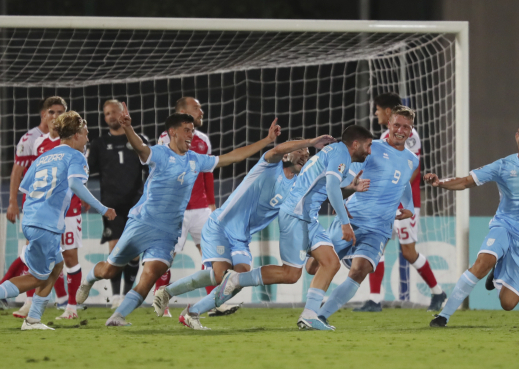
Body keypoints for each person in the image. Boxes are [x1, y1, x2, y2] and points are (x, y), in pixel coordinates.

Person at [75, 104, 282, 327]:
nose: (190, 135)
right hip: (142, 223)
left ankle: (118, 316)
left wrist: (267, 140)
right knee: (110, 270)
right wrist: (128, 129)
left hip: (168, 233)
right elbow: (140, 148)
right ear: (172, 132)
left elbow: (231, 157)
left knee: (150, 275)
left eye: (192, 130)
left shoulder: (195, 159)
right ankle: (89, 279)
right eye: (186, 130)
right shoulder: (160, 153)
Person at [153, 135, 340, 329]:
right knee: (221, 276)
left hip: (241, 238)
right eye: (300, 151)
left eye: (308, 155)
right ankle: (168, 292)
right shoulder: (269, 165)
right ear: (287, 155)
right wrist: (311, 142)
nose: (305, 156)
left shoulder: (297, 186)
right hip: (221, 226)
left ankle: (191, 312)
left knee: (237, 280)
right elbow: (277, 149)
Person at [211, 125, 373, 331]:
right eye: (368, 146)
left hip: (307, 217)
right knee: (291, 274)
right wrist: (344, 223)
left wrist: (350, 189)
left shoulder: (335, 153)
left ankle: (309, 315)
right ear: (356, 144)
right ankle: (236, 279)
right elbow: (331, 188)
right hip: (297, 214)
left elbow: (326, 190)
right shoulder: (340, 154)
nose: (369, 151)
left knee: (331, 263)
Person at [0, 112, 115, 329]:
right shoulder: (76, 156)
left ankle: (33, 319)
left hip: (31, 219)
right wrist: (103, 209)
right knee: (37, 277)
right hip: (46, 225)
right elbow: (75, 185)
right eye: (86, 134)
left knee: (57, 265)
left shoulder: (44, 157)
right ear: (76, 135)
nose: (87, 138)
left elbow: (26, 187)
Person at [427, 119, 519, 327]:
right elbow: (466, 181)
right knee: (481, 264)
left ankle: (497, 270)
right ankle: (444, 315)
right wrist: (440, 182)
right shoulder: (504, 165)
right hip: (504, 227)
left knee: (508, 303)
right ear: (516, 136)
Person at [304, 106, 417, 327]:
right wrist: (343, 198)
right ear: (389, 125)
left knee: (360, 270)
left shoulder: (412, 159)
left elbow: (403, 182)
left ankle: (319, 316)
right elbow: (347, 177)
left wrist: (410, 206)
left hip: (380, 229)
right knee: (313, 267)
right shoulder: (372, 148)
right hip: (353, 218)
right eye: (397, 125)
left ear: (411, 130)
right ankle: (311, 306)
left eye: (406, 127)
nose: (401, 130)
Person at [357, 92, 444, 312]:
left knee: (408, 252)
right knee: (377, 245)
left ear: (387, 111)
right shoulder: (385, 137)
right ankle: (374, 300)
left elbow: (412, 170)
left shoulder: (410, 135)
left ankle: (438, 292)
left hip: (406, 203)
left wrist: (397, 195)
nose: (375, 113)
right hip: (386, 203)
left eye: (377, 109)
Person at [5, 97, 82, 319]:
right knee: (36, 254)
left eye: (60, 112)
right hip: (43, 210)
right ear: (44, 115)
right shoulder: (37, 142)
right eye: (52, 112)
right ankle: (31, 302)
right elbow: (22, 172)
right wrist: (15, 201)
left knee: (69, 257)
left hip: (68, 208)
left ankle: (71, 306)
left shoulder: (74, 140)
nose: (56, 116)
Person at [154, 97, 217, 317]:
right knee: (166, 259)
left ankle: (212, 303)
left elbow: (207, 173)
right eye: (196, 108)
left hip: (201, 208)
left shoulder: (203, 140)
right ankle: (161, 301)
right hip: (176, 210)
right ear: (183, 112)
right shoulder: (165, 138)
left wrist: (212, 204)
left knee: (212, 255)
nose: (201, 111)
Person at [87, 100, 147, 309]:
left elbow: (151, 169)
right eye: (106, 114)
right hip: (111, 205)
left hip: (136, 205)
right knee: (115, 249)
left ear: (123, 113)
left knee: (134, 252)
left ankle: (128, 294)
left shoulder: (139, 140)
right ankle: (115, 297)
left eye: (113, 112)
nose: (110, 117)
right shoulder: (99, 143)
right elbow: (86, 171)